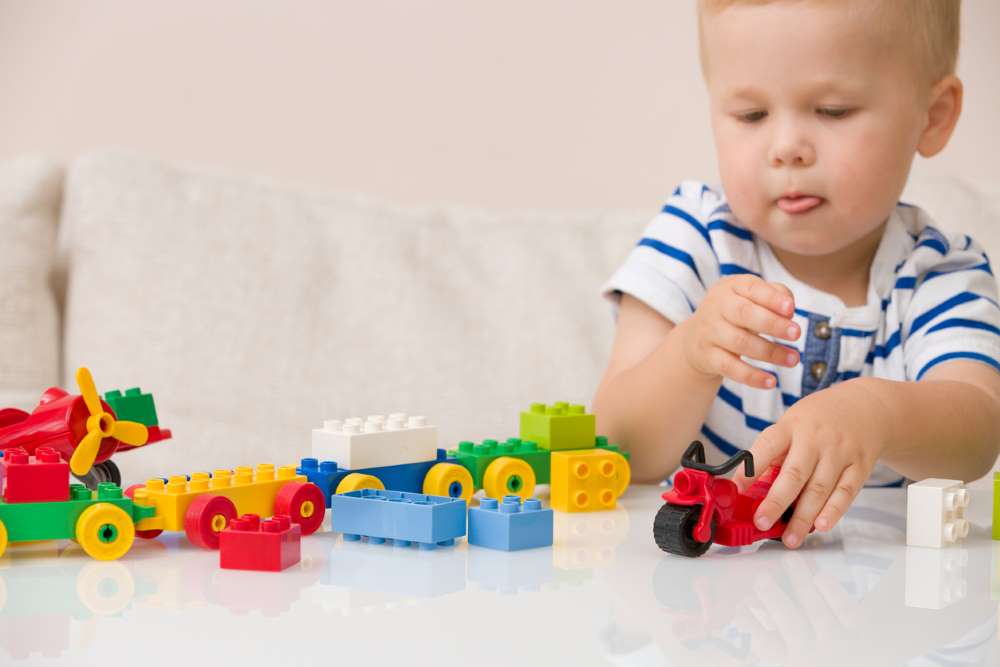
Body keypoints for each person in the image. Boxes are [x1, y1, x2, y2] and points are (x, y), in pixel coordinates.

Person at [593, 0, 1000, 549]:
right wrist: (689, 353)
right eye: (751, 116)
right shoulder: (695, 240)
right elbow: (620, 448)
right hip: (703, 603)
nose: (786, 149)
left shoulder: (938, 274)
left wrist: (877, 410)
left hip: (883, 607)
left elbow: (977, 434)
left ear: (932, 116)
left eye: (832, 110)